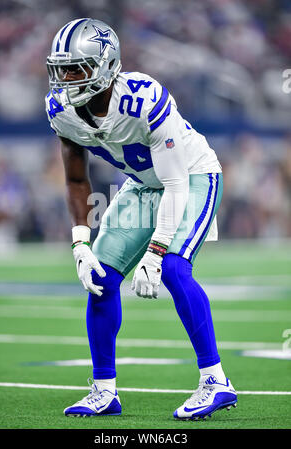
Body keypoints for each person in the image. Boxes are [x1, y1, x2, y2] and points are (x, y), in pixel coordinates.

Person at [45, 18, 237, 420]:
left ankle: (215, 380)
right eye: (60, 69)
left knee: (172, 267)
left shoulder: (143, 97)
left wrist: (154, 250)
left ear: (106, 65)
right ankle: (104, 390)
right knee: (100, 277)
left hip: (193, 174)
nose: (64, 79)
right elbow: (78, 179)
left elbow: (175, 182)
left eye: (75, 69)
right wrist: (81, 243)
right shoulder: (61, 110)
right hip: (143, 184)